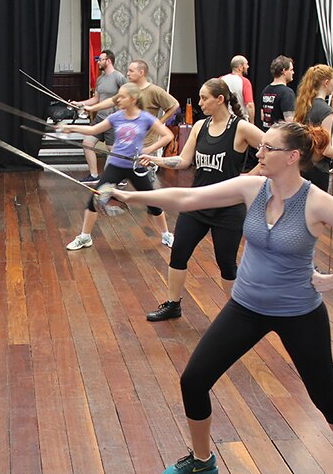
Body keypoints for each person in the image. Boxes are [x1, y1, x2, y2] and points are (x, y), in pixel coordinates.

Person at [110, 121, 333, 474]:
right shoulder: (252, 187)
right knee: (194, 380)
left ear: (293, 157)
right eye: (261, 147)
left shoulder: (317, 202)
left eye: (267, 149)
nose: (258, 153)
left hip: (299, 313)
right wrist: (131, 198)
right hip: (246, 306)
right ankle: (201, 459)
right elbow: (188, 199)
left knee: (326, 395)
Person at [140, 78, 263, 321]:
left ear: (220, 99)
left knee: (226, 264)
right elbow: (184, 161)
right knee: (178, 254)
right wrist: (157, 160)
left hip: (228, 208)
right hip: (197, 202)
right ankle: (173, 305)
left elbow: (273, 149)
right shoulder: (199, 126)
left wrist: (250, 177)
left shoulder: (241, 128)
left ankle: (235, 316)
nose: (200, 103)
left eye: (204, 98)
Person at [62, 82, 174, 251]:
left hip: (135, 166)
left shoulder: (145, 117)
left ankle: (166, 235)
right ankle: (85, 237)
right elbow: (94, 131)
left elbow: (168, 135)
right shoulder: (116, 117)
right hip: (116, 165)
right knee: (96, 198)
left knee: (153, 203)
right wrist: (71, 128)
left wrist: (148, 150)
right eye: (117, 96)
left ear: (133, 99)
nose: (117, 100)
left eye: (122, 97)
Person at [85, 59, 180, 169]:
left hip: (145, 144)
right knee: (110, 175)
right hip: (125, 144)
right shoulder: (127, 89)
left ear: (141, 73)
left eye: (131, 71)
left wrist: (160, 122)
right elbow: (112, 101)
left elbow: (174, 105)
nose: (128, 74)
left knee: (143, 180)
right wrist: (92, 108)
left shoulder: (155, 91)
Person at [71, 49, 127, 184]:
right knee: (87, 143)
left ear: (108, 61)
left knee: (112, 152)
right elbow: (96, 99)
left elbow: (127, 97)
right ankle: (94, 175)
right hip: (100, 118)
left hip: (113, 121)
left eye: (101, 59)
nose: (98, 62)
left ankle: (120, 178)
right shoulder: (100, 79)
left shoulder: (119, 77)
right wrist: (80, 103)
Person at [293, 64, 333, 192]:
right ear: (326, 82)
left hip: (299, 167)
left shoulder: (303, 105)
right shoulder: (326, 111)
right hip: (316, 171)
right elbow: (324, 149)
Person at [259, 55, 296, 131]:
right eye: (291, 70)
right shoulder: (287, 93)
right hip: (279, 138)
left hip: (266, 135)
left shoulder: (265, 91)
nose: (293, 72)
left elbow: (263, 117)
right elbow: (290, 122)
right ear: (284, 71)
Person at [222, 55, 255, 123]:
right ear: (240, 67)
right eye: (246, 64)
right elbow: (249, 105)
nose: (248, 66)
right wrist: (252, 123)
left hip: (224, 121)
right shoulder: (245, 82)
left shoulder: (221, 80)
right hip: (240, 121)